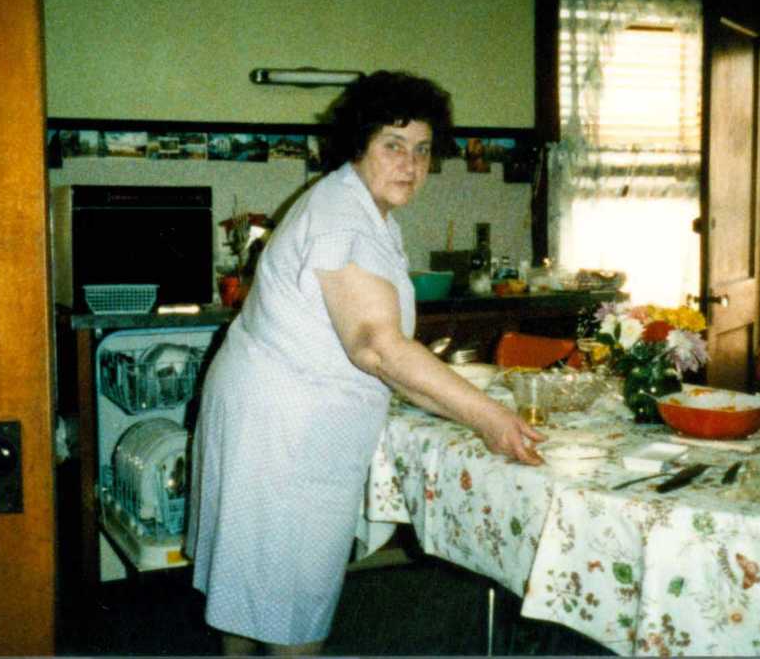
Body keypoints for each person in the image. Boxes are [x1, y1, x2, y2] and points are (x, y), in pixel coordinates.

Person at [185, 70, 545, 656]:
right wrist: (491, 419)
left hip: (270, 412)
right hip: (284, 428)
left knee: (253, 589)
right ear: (360, 144)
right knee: (290, 607)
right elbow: (377, 347)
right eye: (393, 145)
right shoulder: (343, 216)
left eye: (423, 150)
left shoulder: (360, 206)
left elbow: (385, 358)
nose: (411, 163)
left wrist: (470, 412)